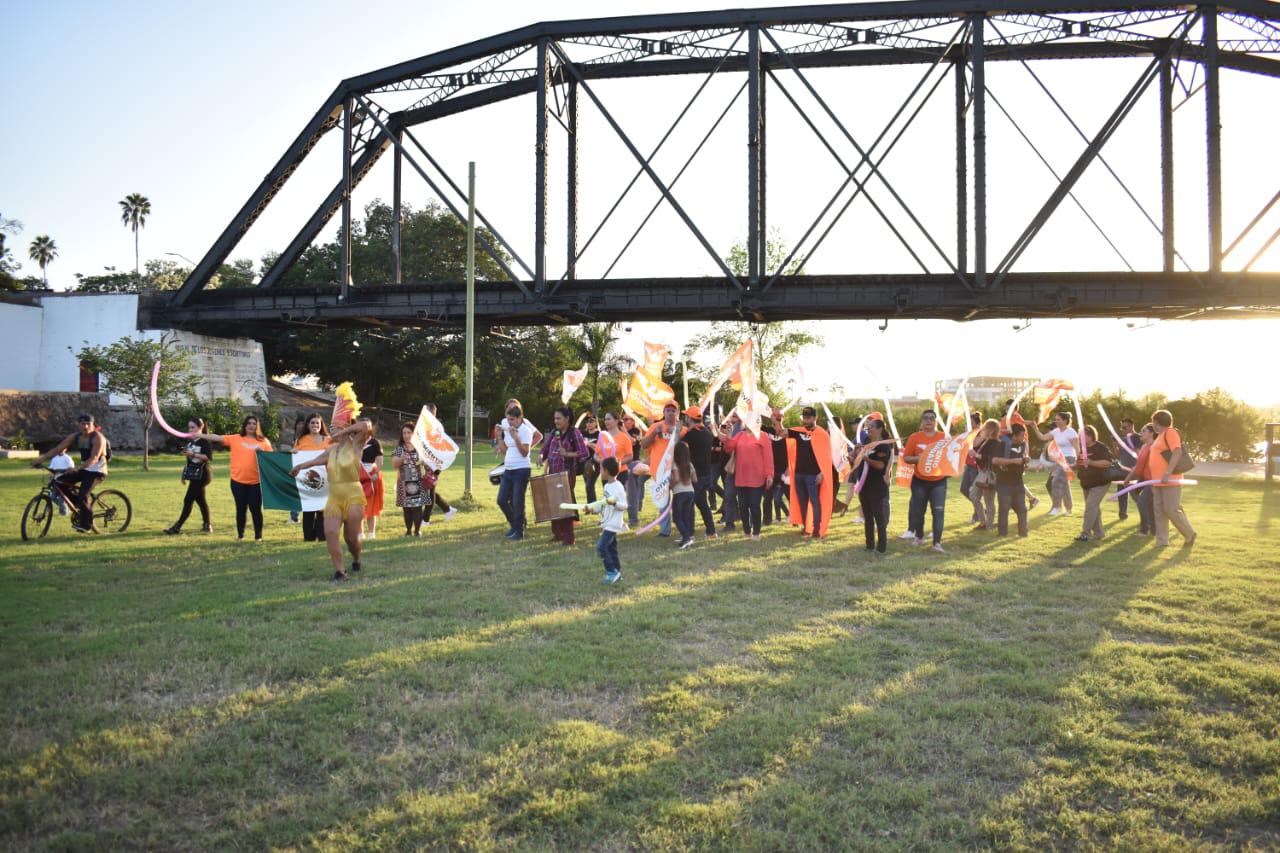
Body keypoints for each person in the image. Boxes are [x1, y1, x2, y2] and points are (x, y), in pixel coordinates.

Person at [291, 417, 372, 580]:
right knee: (330, 531)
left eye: (337, 427)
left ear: (347, 429)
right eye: (332, 427)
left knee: (351, 539)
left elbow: (366, 426)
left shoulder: (355, 445)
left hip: (353, 494)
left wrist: (344, 430)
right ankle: (340, 571)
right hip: (334, 495)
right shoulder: (331, 450)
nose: (333, 430)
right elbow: (316, 460)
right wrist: (300, 466)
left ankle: (356, 559)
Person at [33, 413, 109, 532]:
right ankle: (81, 506)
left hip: (97, 471)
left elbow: (94, 458)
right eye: (82, 424)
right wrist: (41, 459)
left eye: (88, 424)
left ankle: (87, 525)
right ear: (78, 425)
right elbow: (58, 449)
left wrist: (77, 468)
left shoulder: (98, 438)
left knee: (83, 495)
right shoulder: (76, 436)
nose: (85, 427)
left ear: (93, 425)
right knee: (59, 482)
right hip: (85, 469)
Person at [207, 415, 273, 541]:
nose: (251, 426)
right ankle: (240, 536)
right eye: (249, 423)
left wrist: (262, 452)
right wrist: (199, 435)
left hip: (256, 482)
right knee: (240, 509)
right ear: (245, 425)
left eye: (254, 423)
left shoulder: (264, 441)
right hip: (238, 482)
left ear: (257, 426)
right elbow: (216, 437)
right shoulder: (236, 438)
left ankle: (258, 537)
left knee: (255, 510)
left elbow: (271, 459)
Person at [902, 409, 949, 552]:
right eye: (926, 418)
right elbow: (906, 458)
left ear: (936, 421)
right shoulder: (914, 437)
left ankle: (937, 543)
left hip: (938, 481)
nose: (929, 420)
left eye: (932, 418)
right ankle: (919, 536)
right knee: (918, 510)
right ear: (922, 422)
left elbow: (949, 458)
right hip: (919, 481)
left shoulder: (944, 437)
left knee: (938, 511)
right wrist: (921, 458)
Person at [1149, 409, 1197, 547]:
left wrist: (1168, 472)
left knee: (1171, 509)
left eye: (1153, 422)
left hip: (1169, 479)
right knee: (1159, 510)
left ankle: (1189, 534)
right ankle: (1162, 541)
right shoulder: (1160, 435)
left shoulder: (1170, 432)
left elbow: (1177, 451)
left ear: (1157, 422)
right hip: (1157, 481)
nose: (1153, 425)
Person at [540, 406, 587, 545]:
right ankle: (557, 534)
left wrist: (567, 454)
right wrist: (541, 455)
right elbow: (546, 447)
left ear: (567, 419)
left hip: (567, 473)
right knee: (554, 503)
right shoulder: (555, 432)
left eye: (559, 418)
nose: (556, 421)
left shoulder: (575, 433)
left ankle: (568, 537)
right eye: (555, 418)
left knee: (565, 504)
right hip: (553, 472)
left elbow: (584, 453)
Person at [640, 402, 687, 536]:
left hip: (677, 470)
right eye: (668, 410)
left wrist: (676, 434)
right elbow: (643, 445)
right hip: (659, 470)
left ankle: (683, 528)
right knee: (663, 501)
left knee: (680, 500)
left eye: (673, 410)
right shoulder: (656, 426)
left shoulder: (683, 429)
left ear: (677, 413)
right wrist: (654, 433)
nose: (671, 412)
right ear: (663, 412)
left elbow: (686, 448)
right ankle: (665, 531)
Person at [786, 406, 833, 538]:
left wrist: (822, 473)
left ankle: (816, 530)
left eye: (808, 417)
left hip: (813, 475)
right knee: (802, 501)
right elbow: (781, 432)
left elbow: (827, 456)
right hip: (799, 474)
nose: (805, 420)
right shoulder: (799, 431)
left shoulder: (822, 434)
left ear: (815, 418)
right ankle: (807, 528)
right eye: (804, 417)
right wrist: (777, 420)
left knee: (815, 502)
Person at [721, 421, 772, 541]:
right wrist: (728, 435)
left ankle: (756, 533)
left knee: (754, 505)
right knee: (743, 506)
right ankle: (747, 531)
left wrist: (769, 475)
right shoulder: (740, 435)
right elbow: (728, 449)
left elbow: (768, 457)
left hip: (757, 478)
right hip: (741, 477)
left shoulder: (763, 436)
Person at [852, 417, 894, 552]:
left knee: (879, 519)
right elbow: (856, 463)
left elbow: (880, 465)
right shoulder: (866, 443)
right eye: (867, 427)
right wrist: (854, 454)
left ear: (880, 429)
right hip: (864, 485)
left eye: (871, 427)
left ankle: (881, 547)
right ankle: (869, 545)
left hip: (877, 487)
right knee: (868, 517)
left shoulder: (884, 446)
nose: (868, 429)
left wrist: (865, 457)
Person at [165, 418, 214, 535]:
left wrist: (194, 454)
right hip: (194, 475)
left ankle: (177, 527)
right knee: (201, 500)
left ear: (200, 427)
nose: (190, 430)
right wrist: (184, 474)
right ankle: (207, 525)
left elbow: (208, 457)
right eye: (189, 427)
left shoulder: (204, 441)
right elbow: (189, 461)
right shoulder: (190, 442)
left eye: (193, 427)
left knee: (188, 500)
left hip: (203, 475)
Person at [585, 456, 627, 584]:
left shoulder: (618, 487)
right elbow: (604, 504)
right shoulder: (607, 487)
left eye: (601, 469)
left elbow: (624, 506)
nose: (600, 471)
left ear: (607, 471)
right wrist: (592, 509)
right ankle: (617, 573)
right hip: (607, 522)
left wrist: (615, 503)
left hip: (613, 524)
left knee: (601, 548)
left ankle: (611, 572)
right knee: (612, 550)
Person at [679, 406, 718, 540]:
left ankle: (689, 534)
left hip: (696, 476)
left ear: (689, 418)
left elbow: (680, 449)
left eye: (686, 416)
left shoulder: (691, 434)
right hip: (706, 474)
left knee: (689, 505)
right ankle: (711, 532)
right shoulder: (707, 432)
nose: (685, 418)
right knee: (703, 504)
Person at [496, 404, 535, 540]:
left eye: (512, 419)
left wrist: (516, 438)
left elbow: (525, 453)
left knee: (518, 501)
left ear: (520, 418)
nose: (509, 422)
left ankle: (519, 531)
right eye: (508, 419)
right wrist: (499, 437)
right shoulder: (507, 429)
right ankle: (515, 525)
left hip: (522, 470)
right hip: (508, 469)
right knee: (501, 500)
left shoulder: (526, 431)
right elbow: (505, 450)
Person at [1030, 412, 1079, 516]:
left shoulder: (1071, 432)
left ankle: (1056, 508)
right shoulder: (1056, 431)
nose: (1056, 421)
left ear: (1065, 420)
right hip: (1058, 459)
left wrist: (1077, 460)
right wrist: (1035, 428)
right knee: (1064, 484)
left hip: (1068, 459)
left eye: (1058, 419)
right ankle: (1069, 509)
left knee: (1055, 482)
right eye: (1055, 419)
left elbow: (1077, 447)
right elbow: (1042, 437)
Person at [293, 413, 330, 542]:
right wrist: (294, 453)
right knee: (308, 509)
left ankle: (322, 535)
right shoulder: (301, 441)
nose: (315, 425)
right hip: (305, 480)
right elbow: (295, 459)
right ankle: (308, 536)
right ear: (308, 425)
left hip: (325, 479)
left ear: (321, 425)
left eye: (317, 423)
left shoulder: (328, 440)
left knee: (322, 509)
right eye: (312, 423)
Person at [1075, 426, 1115, 542]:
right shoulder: (1082, 448)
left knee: (1090, 506)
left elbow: (1107, 462)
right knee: (1093, 508)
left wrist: (1091, 462)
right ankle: (1099, 533)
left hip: (1100, 482)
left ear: (1091, 436)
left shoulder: (1100, 447)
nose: (1080, 438)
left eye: (1083, 436)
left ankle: (1085, 533)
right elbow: (1080, 464)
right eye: (1080, 436)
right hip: (1086, 483)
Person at [993, 423, 1031, 537]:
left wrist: (1025, 461)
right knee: (1004, 509)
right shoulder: (1002, 444)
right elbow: (995, 460)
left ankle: (1023, 534)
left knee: (1022, 509)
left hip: (1018, 482)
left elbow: (1022, 457)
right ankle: (1002, 534)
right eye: (1021, 435)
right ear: (1014, 436)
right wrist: (1014, 461)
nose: (1023, 438)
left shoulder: (1023, 444)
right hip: (1004, 482)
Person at [1120, 423, 1157, 536]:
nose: (1141, 433)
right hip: (1144, 479)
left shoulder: (1155, 447)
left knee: (1142, 502)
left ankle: (1144, 530)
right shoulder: (1145, 447)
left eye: (1144, 431)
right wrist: (1127, 480)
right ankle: (1153, 528)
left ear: (1151, 433)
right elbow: (1137, 466)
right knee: (1144, 501)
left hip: (1152, 480)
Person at [422, 404, 457, 522]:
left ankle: (425, 519)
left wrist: (433, 462)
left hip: (435, 462)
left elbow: (437, 446)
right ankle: (448, 509)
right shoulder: (424, 425)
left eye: (429, 413)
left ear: (433, 413)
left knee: (429, 488)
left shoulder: (437, 427)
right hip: (426, 461)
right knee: (429, 488)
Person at [392, 422, 428, 536]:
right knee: (406, 509)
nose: (406, 435)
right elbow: (394, 464)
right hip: (403, 483)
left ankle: (417, 531)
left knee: (417, 508)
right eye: (404, 433)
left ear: (414, 434)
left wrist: (425, 463)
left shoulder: (420, 448)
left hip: (418, 482)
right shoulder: (399, 449)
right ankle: (408, 531)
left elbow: (427, 464)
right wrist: (401, 458)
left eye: (409, 432)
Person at [761, 408, 790, 525]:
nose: (775, 417)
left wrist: (789, 468)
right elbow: (753, 422)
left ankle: (796, 519)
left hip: (784, 471)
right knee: (767, 497)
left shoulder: (787, 433)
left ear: (782, 418)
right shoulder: (766, 430)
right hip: (771, 470)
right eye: (773, 415)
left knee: (791, 496)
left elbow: (792, 452)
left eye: (778, 415)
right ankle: (767, 521)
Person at [970, 418, 1000, 530]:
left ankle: (989, 524)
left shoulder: (996, 443)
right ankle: (983, 522)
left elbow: (993, 459)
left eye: (985, 427)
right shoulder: (987, 441)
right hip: (983, 473)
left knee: (988, 500)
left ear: (990, 430)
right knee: (974, 496)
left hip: (990, 474)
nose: (982, 429)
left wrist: (977, 456)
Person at [1114, 417, 1142, 521]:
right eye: (1122, 428)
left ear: (1131, 426)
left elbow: (1139, 454)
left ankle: (1146, 513)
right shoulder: (1122, 439)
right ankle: (1122, 515)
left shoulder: (1138, 437)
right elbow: (1118, 455)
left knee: (1135, 494)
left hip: (1134, 470)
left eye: (1125, 427)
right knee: (1121, 494)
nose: (1123, 429)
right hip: (1122, 470)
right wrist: (1115, 444)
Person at [621, 414, 647, 527]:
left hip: (633, 464)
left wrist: (622, 429)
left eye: (627, 419)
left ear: (633, 421)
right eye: (623, 419)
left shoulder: (636, 430)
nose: (625, 421)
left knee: (632, 492)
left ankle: (633, 519)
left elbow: (632, 442)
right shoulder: (618, 431)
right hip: (620, 464)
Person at [671, 441, 697, 549]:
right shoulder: (690, 464)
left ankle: (686, 538)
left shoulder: (675, 464)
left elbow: (676, 478)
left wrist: (670, 486)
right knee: (686, 516)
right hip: (690, 492)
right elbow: (695, 479)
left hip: (679, 493)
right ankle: (686, 537)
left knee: (677, 517)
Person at [959, 411, 984, 523]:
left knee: (975, 492)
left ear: (976, 423)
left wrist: (969, 434)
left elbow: (974, 444)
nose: (968, 424)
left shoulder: (981, 432)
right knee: (964, 489)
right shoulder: (971, 432)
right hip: (969, 464)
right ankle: (982, 510)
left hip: (976, 466)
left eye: (970, 422)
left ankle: (977, 515)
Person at [360, 431, 385, 539]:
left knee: (371, 504)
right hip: (357, 474)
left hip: (372, 475)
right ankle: (360, 533)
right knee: (358, 505)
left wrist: (376, 473)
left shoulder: (375, 442)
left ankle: (371, 533)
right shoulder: (354, 441)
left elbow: (380, 460)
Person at [286, 415, 307, 524]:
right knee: (295, 492)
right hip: (296, 468)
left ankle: (296, 516)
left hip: (306, 468)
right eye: (299, 424)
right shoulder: (294, 437)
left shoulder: (308, 438)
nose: (300, 426)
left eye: (303, 424)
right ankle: (294, 516)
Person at [47, 447, 75, 516]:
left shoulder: (67, 458)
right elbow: (51, 470)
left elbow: (71, 469)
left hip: (65, 481)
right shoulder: (54, 459)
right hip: (56, 481)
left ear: (65, 449)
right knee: (52, 497)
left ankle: (64, 512)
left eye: (62, 449)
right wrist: (50, 479)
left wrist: (63, 472)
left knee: (61, 498)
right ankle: (65, 508)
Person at [580, 414, 601, 504]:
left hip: (595, 462)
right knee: (588, 485)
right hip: (584, 462)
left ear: (596, 423)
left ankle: (592, 506)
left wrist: (588, 444)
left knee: (589, 484)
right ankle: (592, 505)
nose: (589, 423)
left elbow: (600, 448)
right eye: (587, 422)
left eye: (591, 421)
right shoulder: (582, 433)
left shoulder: (600, 434)